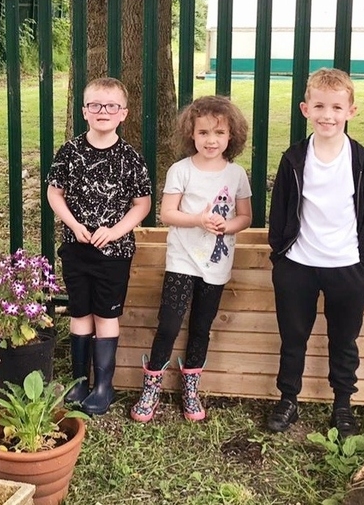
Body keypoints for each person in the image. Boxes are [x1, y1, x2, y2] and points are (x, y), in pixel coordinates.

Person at [266, 68, 364, 438]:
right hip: (298, 264)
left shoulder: (360, 162)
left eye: (336, 107)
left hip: (346, 267)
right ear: (305, 109)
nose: (327, 115)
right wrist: (280, 256)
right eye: (319, 106)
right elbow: (280, 209)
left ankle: (343, 404)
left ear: (351, 111)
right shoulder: (295, 158)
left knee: (344, 339)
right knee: (293, 336)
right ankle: (288, 399)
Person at [130, 96, 252, 423]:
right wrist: (198, 219)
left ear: (231, 136)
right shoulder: (180, 170)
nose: (211, 140)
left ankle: (191, 388)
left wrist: (227, 226)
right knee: (169, 324)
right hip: (182, 260)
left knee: (201, 327)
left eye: (219, 133)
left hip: (217, 264)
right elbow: (167, 213)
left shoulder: (236, 174)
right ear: (191, 134)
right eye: (203, 132)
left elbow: (245, 217)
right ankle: (151, 386)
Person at [46, 77, 152, 416]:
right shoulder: (69, 152)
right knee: (79, 312)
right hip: (76, 248)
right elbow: (54, 192)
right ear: (84, 111)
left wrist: (117, 231)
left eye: (111, 106)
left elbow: (142, 203)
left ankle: (104, 386)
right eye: (95, 105)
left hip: (114, 254)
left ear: (123, 113)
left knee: (105, 315)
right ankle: (79, 382)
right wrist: (74, 225)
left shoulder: (130, 158)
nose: (102, 111)